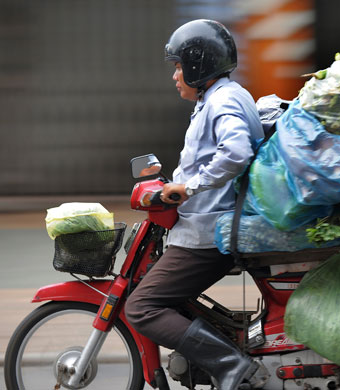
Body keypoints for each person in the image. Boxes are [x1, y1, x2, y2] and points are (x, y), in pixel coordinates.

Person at [124, 19, 264, 390]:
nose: (174, 76)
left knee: (140, 307)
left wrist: (188, 187)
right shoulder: (223, 96)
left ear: (197, 64)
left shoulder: (222, 100)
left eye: (177, 66)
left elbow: (236, 152)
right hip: (210, 223)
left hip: (206, 234)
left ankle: (230, 364)